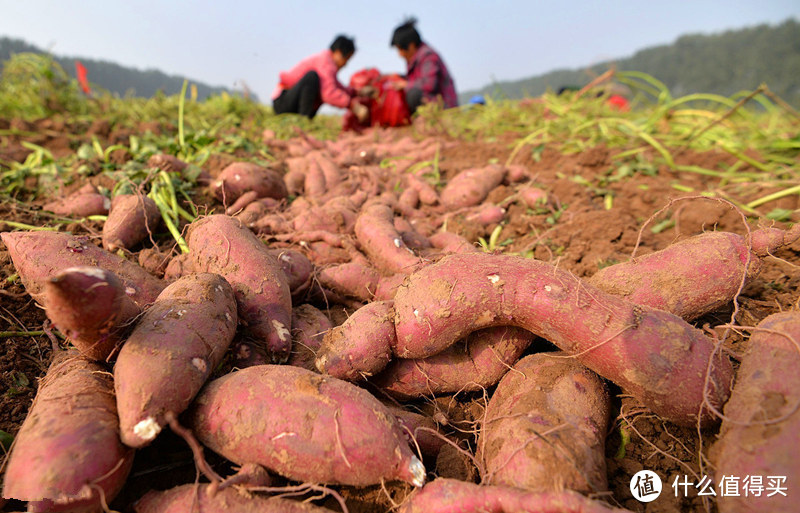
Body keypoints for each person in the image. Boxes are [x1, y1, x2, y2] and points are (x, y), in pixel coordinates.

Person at [272, 35, 368, 122]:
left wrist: (357, 92)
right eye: (346, 59)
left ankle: (304, 120)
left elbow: (337, 88)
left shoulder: (327, 65)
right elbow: (329, 93)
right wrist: (353, 106)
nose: (345, 64)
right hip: (283, 102)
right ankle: (303, 120)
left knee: (318, 84)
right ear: (338, 53)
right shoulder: (325, 63)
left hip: (290, 102)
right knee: (312, 77)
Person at [390, 18, 458, 114]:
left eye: (400, 49)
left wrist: (405, 84)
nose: (400, 54)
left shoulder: (428, 56)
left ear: (411, 45)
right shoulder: (415, 59)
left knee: (413, 95)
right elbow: (415, 80)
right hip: (432, 102)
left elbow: (429, 84)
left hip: (444, 107)